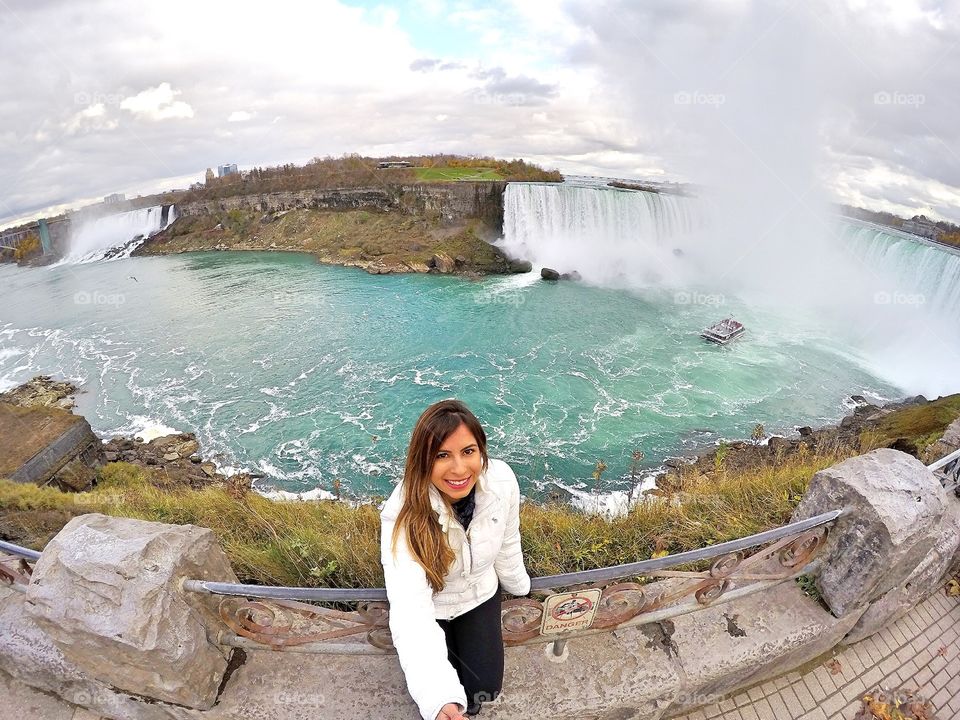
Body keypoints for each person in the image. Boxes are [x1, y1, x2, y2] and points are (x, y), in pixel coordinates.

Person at [380, 399, 531, 720]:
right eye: (442, 455)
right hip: (433, 607)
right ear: (422, 461)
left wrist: (519, 585)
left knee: (486, 688)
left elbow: (508, 539)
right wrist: (438, 699)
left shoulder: (502, 482)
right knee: (443, 685)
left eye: (468, 451)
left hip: (480, 594)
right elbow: (411, 612)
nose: (460, 469)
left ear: (482, 451)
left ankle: (470, 706)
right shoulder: (403, 513)